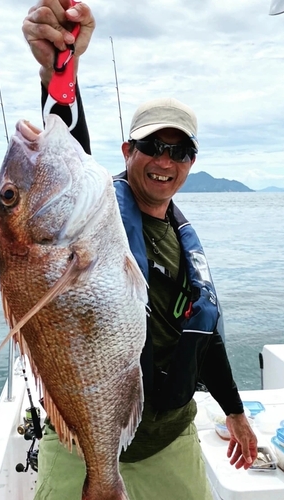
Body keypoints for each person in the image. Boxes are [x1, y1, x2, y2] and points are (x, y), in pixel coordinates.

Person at [22, 2, 258, 499]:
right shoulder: (92, 216)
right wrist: (58, 71)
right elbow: (64, 157)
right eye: (153, 145)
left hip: (169, 437)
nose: (164, 161)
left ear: (191, 162)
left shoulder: (184, 239)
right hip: (80, 445)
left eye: (180, 151)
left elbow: (205, 336)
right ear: (128, 151)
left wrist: (235, 413)